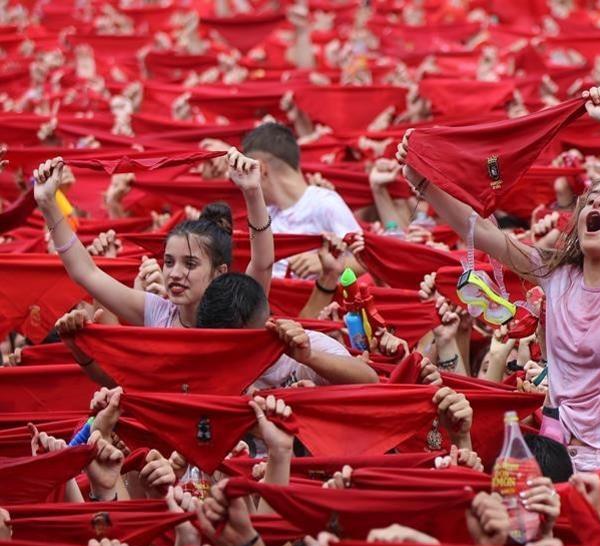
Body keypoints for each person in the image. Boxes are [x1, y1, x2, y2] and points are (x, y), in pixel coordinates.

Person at [396, 86, 600, 471]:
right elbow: (481, 232)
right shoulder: (556, 274)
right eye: (593, 198)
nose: (597, 203)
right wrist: (423, 181)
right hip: (556, 459)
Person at [33, 149, 274, 330]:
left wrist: (253, 193)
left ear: (220, 272)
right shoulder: (158, 313)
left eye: (189, 264)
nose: (175, 273)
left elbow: (262, 263)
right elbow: (86, 273)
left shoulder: (238, 310)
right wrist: (48, 203)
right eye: (169, 262)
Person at [194, 272, 379, 388]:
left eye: (240, 344)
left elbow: (369, 379)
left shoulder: (305, 345)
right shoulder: (207, 365)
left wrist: (308, 357)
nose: (231, 356)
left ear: (267, 325)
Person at [239, 122, 364, 278]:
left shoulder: (324, 202)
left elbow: (366, 261)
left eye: (247, 171)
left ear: (261, 169)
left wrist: (326, 264)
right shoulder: (264, 217)